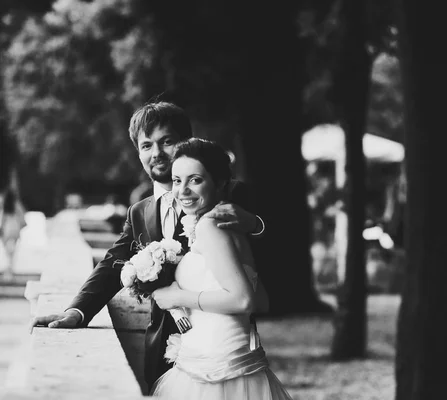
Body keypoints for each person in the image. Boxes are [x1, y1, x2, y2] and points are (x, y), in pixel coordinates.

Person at [29, 101, 266, 390]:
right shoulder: (139, 212)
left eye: (167, 141)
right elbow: (112, 264)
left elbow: (263, 257)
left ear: (185, 143)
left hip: (220, 348)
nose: (157, 153)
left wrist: (254, 223)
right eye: (146, 145)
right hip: (162, 351)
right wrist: (76, 311)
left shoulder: (226, 193)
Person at [150, 137, 293, 399]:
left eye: (195, 180)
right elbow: (262, 301)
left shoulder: (210, 226)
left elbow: (243, 299)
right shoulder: (228, 225)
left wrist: (178, 296)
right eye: (177, 180)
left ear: (220, 183)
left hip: (217, 371)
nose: (183, 190)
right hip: (229, 361)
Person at [0, 188, 27, 281]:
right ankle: (9, 272)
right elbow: (22, 218)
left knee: (8, 253)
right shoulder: (17, 205)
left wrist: (2, 230)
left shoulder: (5, 206)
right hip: (15, 230)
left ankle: (8, 273)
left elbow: (3, 220)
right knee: (12, 253)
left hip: (7, 231)